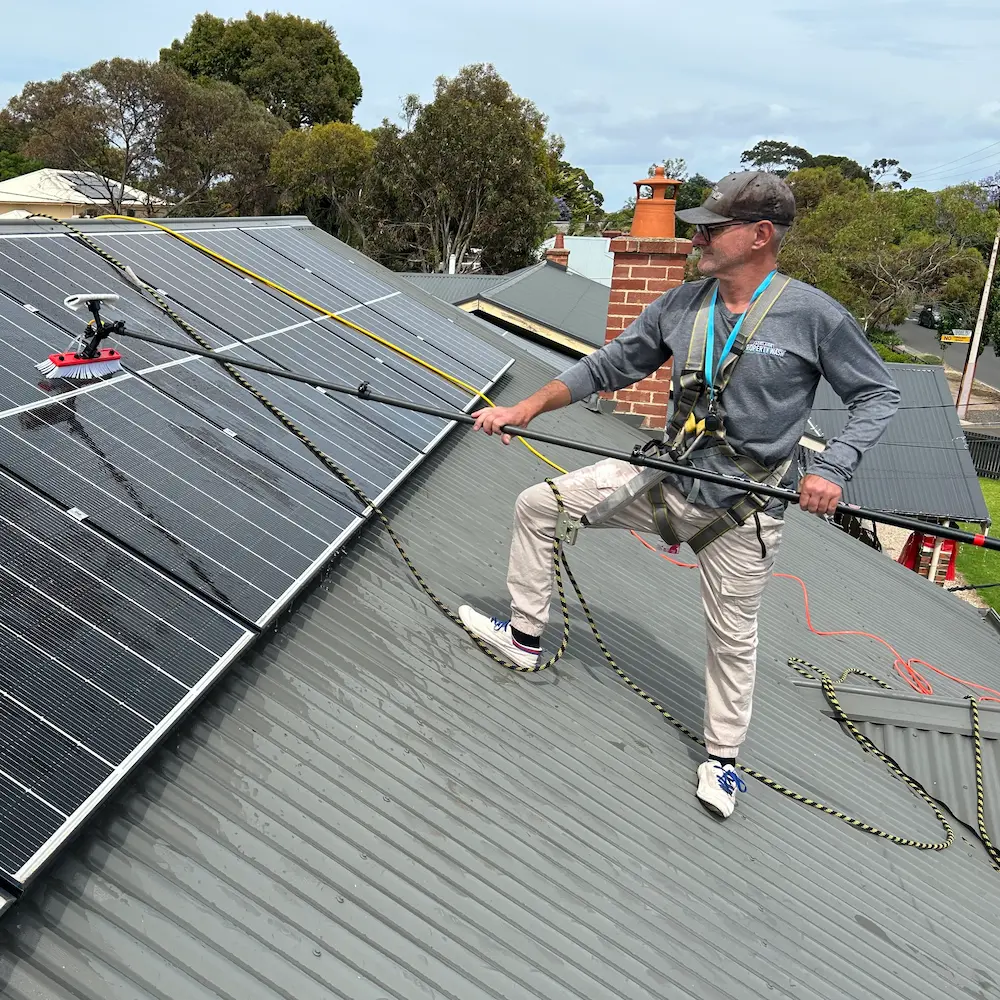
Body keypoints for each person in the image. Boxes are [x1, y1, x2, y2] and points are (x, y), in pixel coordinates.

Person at [460, 171, 900, 819]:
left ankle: (722, 762)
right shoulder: (683, 305)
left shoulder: (814, 318)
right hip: (666, 481)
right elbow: (610, 366)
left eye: (713, 229)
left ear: (759, 236)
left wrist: (834, 467)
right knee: (538, 506)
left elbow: (877, 394)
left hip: (742, 512)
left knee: (732, 638)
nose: (699, 237)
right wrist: (529, 406)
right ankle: (525, 638)